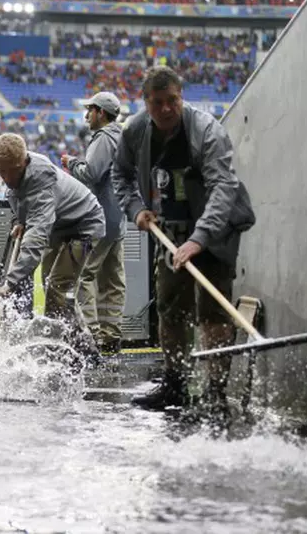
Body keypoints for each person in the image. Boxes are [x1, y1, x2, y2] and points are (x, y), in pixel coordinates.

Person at [112, 66, 255, 419]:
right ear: (146, 103)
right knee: (170, 306)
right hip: (172, 227)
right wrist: (136, 210)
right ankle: (175, 385)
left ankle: (215, 393)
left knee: (213, 312)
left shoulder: (207, 131)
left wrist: (200, 239)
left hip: (216, 227)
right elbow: (121, 175)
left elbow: (224, 188)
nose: (166, 109)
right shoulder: (134, 132)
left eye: (172, 100)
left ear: (181, 97)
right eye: (157, 102)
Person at [0, 133, 105, 324]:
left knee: (58, 287)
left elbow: (35, 241)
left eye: (14, 171)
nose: (8, 177)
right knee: (48, 282)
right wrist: (20, 221)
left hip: (85, 225)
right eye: (2, 171)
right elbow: (17, 197)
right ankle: (55, 339)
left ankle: (81, 348)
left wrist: (10, 282)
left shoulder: (41, 182)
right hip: (59, 226)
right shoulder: (15, 170)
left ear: (23, 161)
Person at [60, 91, 127, 354]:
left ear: (101, 113)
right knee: (113, 280)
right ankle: (112, 336)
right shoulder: (123, 138)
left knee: (84, 277)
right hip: (118, 220)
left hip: (100, 219)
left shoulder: (104, 138)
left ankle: (92, 337)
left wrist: (71, 162)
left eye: (90, 110)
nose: (86, 115)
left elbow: (90, 174)